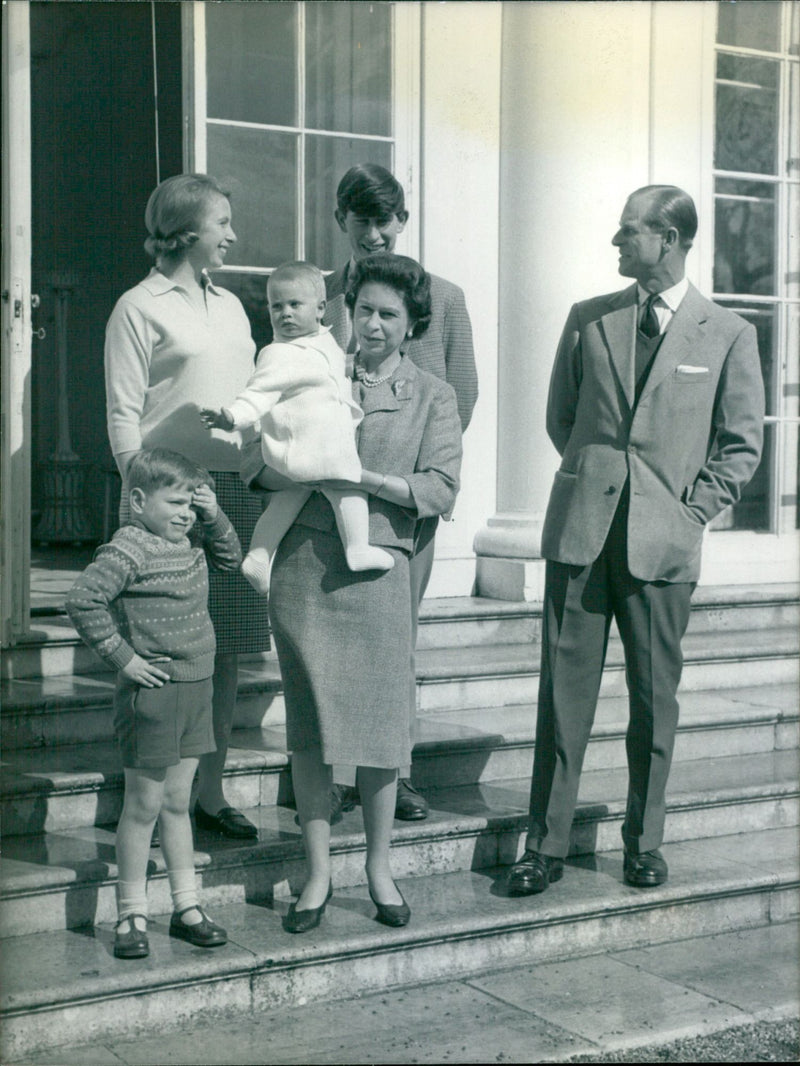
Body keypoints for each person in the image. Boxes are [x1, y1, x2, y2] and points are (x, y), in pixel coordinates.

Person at [507, 185, 765, 897]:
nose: (616, 245)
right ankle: (546, 844)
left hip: (663, 547)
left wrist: (687, 513)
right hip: (581, 539)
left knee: (654, 702)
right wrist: (595, 481)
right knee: (561, 700)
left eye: (629, 234)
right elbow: (564, 418)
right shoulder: (589, 320)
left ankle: (644, 842)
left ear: (671, 239)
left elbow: (741, 447)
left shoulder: (728, 334)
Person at [263, 254, 462, 932]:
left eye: (388, 315)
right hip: (305, 567)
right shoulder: (311, 364)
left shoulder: (433, 394)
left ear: (412, 326)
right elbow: (265, 452)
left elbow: (440, 489)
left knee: (380, 730)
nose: (371, 325)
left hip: (380, 566)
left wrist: (367, 480)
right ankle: (316, 875)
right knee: (311, 729)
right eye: (364, 310)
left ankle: (379, 868)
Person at [105, 173, 271, 840]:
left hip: (231, 492)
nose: (232, 235)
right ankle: (148, 799)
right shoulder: (137, 307)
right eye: (222, 222)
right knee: (159, 652)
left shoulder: (231, 305)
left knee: (223, 652)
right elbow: (122, 415)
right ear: (186, 230)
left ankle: (208, 790)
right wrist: (143, 501)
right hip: (163, 497)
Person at [324, 163, 478, 822]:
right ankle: (332, 773)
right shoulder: (321, 294)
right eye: (364, 226)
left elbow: (462, 390)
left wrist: (420, 464)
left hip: (403, 499)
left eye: (387, 225)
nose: (376, 237)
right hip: (324, 496)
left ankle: (397, 771)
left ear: (403, 223)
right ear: (344, 224)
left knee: (394, 641)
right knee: (329, 637)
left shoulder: (439, 297)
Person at [66, 449, 239, 958]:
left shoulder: (193, 540)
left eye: (192, 503)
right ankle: (131, 914)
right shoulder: (130, 547)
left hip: (198, 688)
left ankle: (187, 907)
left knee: (178, 804)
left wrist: (216, 513)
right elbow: (82, 600)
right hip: (155, 696)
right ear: (139, 500)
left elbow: (231, 557)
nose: (185, 513)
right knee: (142, 807)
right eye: (175, 502)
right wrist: (123, 660)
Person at [200, 260, 393, 593]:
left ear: (320, 310)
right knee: (349, 489)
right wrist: (231, 417)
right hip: (312, 448)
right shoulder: (278, 354)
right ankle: (358, 547)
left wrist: (351, 367)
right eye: (276, 306)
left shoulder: (324, 343)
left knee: (290, 497)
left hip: (312, 448)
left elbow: (325, 368)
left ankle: (259, 555)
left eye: (294, 305)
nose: (284, 313)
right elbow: (256, 395)